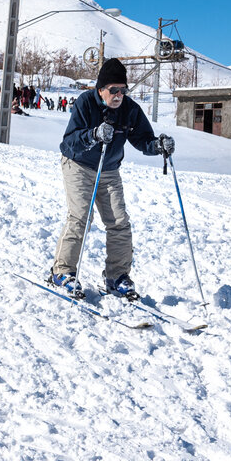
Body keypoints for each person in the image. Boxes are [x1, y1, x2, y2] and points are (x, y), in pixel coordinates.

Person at [48, 58, 174, 298]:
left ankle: (116, 276)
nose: (118, 95)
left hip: (109, 169)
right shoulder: (85, 103)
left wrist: (158, 145)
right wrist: (93, 134)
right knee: (81, 217)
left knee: (119, 221)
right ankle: (62, 272)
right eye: (113, 90)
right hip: (79, 165)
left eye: (123, 90)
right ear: (100, 89)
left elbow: (143, 139)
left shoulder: (130, 109)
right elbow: (68, 143)